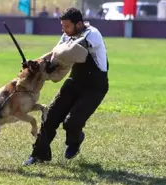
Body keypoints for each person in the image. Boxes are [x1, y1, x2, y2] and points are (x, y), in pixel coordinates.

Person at [23, 7, 109, 166]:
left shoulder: (92, 34)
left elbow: (72, 51)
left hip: (95, 87)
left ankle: (75, 141)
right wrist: (35, 63)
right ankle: (38, 155)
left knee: (72, 122)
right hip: (75, 81)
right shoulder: (67, 34)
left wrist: (53, 64)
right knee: (51, 117)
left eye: (67, 26)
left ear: (79, 24)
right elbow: (54, 52)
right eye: (62, 26)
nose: (64, 30)